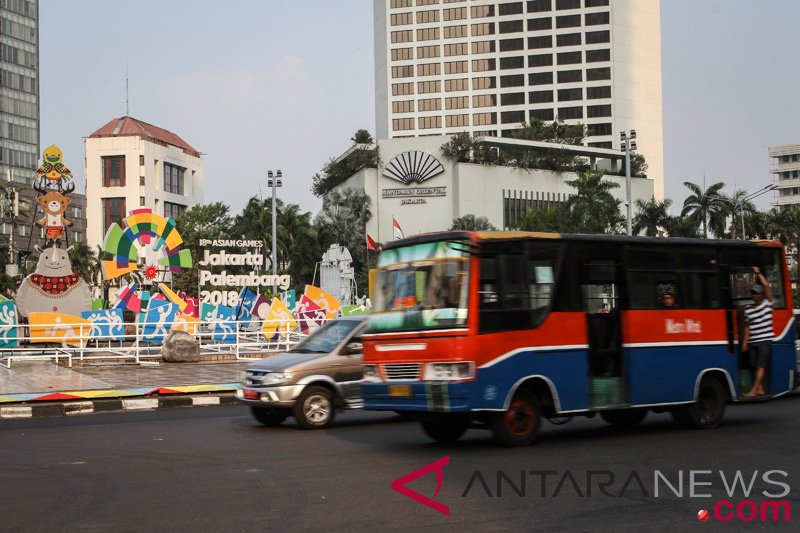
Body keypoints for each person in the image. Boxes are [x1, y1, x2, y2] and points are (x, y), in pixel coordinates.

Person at [742, 266, 773, 397]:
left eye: (757, 293)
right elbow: (747, 327)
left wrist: (758, 273)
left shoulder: (767, 303)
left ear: (761, 295)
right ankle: (760, 389)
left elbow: (766, 285)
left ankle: (754, 390)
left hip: (765, 340)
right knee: (754, 366)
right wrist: (745, 342)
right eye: (753, 293)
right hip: (753, 340)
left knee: (761, 365)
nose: (754, 295)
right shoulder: (748, 309)